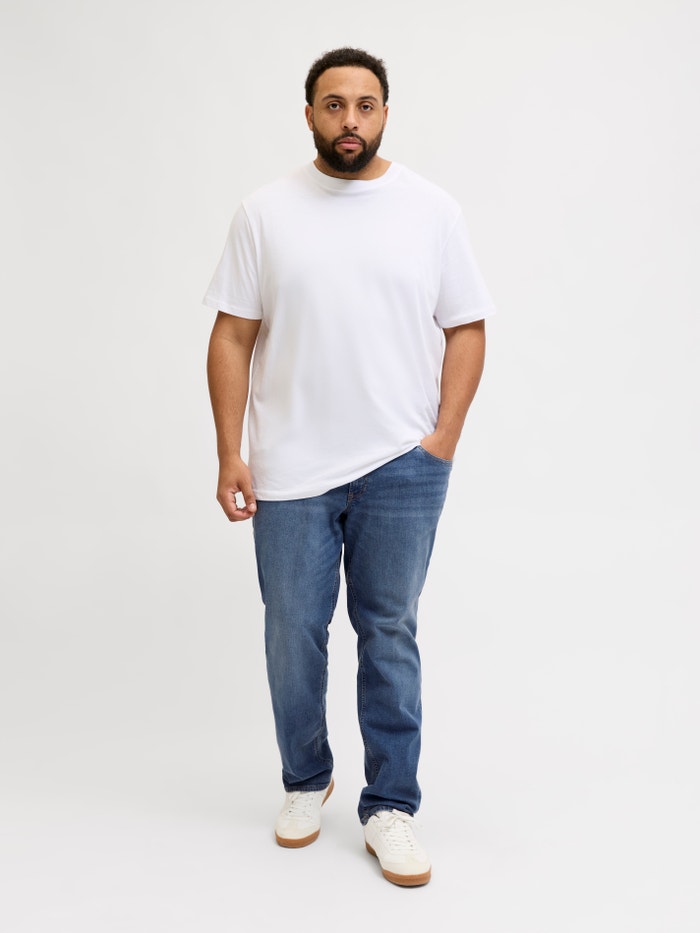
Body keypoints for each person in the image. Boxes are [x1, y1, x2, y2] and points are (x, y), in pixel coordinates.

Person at [203, 47, 495, 887]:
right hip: (291, 465)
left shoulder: (431, 210)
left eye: (366, 105)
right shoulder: (265, 212)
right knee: (292, 629)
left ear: (385, 114)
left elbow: (467, 325)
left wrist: (442, 438)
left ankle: (390, 805)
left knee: (388, 630)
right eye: (334, 105)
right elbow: (232, 334)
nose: (350, 120)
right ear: (309, 115)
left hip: (402, 463)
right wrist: (230, 450)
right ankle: (306, 778)